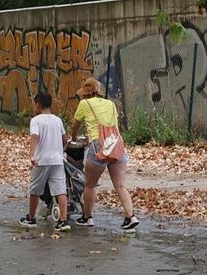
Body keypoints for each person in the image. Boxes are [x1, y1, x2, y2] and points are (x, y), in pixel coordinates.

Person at [70, 78, 140, 230]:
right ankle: (131, 216)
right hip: (116, 145)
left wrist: (73, 139)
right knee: (120, 185)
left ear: (86, 93)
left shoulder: (84, 104)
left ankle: (87, 218)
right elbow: (112, 126)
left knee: (90, 184)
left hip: (99, 146)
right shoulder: (111, 104)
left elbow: (75, 125)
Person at [21, 91, 71, 232]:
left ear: (39, 104)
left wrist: (32, 155)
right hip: (57, 160)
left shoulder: (36, 121)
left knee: (35, 190)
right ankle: (63, 220)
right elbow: (65, 140)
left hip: (42, 160)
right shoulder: (58, 120)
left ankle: (31, 218)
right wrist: (58, 149)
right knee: (60, 190)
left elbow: (35, 137)